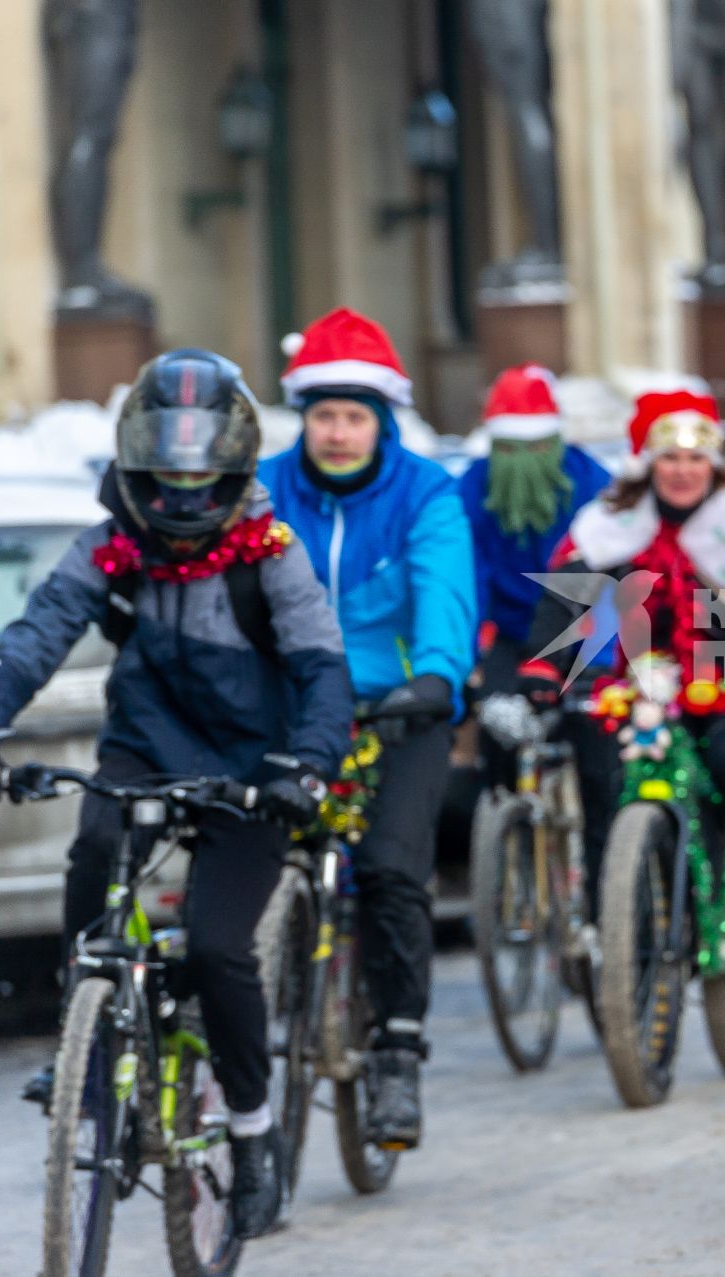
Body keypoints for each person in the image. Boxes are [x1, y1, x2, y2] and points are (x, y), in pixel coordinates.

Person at [0, 350, 352, 1239]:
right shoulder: (109, 543)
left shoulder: (272, 555)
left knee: (216, 949)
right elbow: (37, 631)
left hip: (255, 771)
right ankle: (81, 1046)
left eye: (199, 476)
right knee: (91, 852)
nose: (180, 496)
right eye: (163, 475)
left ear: (235, 469)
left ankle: (251, 1138)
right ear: (135, 466)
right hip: (141, 748)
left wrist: (309, 763)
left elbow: (324, 671)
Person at [257, 308, 477, 1151]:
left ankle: (395, 1050)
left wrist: (435, 674)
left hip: (400, 708)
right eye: (323, 415)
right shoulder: (267, 488)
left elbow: (444, 590)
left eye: (354, 416)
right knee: (248, 846)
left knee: (391, 867)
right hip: (294, 704)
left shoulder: (424, 492)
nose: (338, 432)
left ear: (380, 420)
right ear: (303, 418)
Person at [521, 389, 725, 873]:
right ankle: (616, 917)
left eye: (695, 458)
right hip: (644, 685)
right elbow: (565, 593)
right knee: (603, 769)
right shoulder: (610, 522)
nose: (682, 470)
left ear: (712, 463)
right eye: (669, 457)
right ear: (649, 463)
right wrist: (543, 666)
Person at [457, 363, 612, 685]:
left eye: (539, 448)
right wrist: (469, 655)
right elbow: (466, 577)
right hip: (505, 633)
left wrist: (600, 660)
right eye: (509, 449)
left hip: (583, 632)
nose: (524, 465)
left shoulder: (591, 482)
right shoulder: (472, 488)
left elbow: (613, 575)